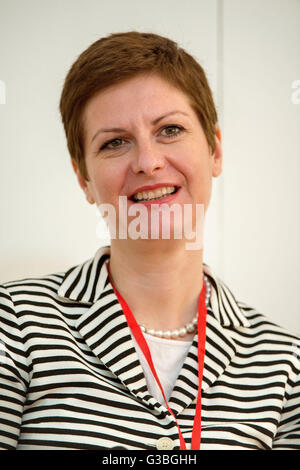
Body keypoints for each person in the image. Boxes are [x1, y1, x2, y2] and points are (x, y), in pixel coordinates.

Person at [0, 31, 299, 451]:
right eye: (115, 142)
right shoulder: (12, 323)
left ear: (215, 149)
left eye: (170, 129)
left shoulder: (285, 363)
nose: (148, 161)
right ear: (83, 178)